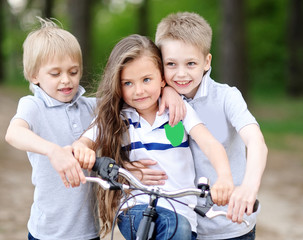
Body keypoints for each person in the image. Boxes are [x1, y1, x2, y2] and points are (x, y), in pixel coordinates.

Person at [73, 34, 234, 240]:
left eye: (146, 80)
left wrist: (224, 177)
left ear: (162, 78)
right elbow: (82, 143)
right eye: (128, 83)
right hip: (135, 207)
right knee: (160, 224)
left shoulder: (178, 110)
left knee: (177, 226)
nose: (138, 91)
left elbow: (210, 144)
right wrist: (83, 150)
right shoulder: (118, 115)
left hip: (181, 211)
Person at [152, 12, 268, 240]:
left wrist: (248, 188)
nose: (181, 73)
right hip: (181, 224)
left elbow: (256, 143)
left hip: (229, 224)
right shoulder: (155, 100)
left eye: (191, 63)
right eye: (171, 64)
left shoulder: (226, 97)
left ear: (207, 62)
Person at [5, 17, 100, 240]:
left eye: (73, 72)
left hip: (88, 231)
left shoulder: (92, 106)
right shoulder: (33, 105)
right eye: (55, 74)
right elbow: (13, 133)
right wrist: (53, 151)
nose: (66, 80)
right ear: (34, 76)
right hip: (47, 232)